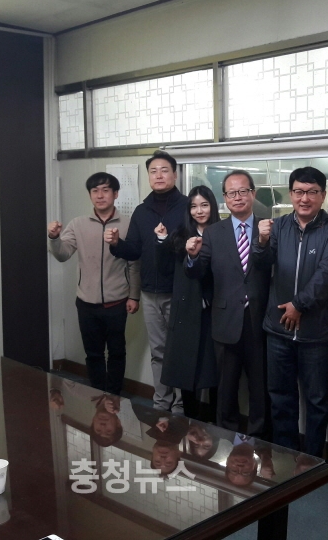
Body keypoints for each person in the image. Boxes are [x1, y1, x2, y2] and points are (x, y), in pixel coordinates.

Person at [252, 166, 328, 458]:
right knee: (281, 398)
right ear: (290, 194)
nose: (305, 198)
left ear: (323, 195)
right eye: (299, 192)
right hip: (278, 330)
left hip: (317, 332)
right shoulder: (277, 226)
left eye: (312, 192)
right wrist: (261, 242)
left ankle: (312, 461)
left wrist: (299, 305)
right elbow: (261, 266)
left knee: (317, 401)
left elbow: (327, 273)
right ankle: (286, 459)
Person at [185, 170, 270, 438]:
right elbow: (199, 271)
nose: (238, 197)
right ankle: (226, 439)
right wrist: (192, 257)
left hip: (259, 320)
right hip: (225, 320)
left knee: (260, 387)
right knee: (225, 388)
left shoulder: (269, 228)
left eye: (243, 191)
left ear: (253, 194)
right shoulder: (214, 233)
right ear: (224, 198)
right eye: (232, 193)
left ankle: (259, 440)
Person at [105, 150, 187, 412]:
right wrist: (116, 243)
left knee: (180, 351)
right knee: (158, 351)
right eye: (153, 171)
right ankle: (161, 402)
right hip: (151, 293)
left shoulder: (187, 207)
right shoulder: (142, 211)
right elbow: (134, 251)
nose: (159, 175)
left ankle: (182, 406)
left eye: (164, 170)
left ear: (175, 175)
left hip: (180, 291)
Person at [48, 172, 141, 395]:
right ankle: (98, 397)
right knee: (93, 354)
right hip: (86, 303)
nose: (100, 195)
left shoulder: (128, 225)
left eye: (105, 190)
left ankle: (114, 398)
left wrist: (134, 295)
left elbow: (134, 263)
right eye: (95, 191)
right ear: (90, 195)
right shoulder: (78, 224)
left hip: (117, 302)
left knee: (117, 353)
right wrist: (54, 238)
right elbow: (62, 254)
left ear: (115, 194)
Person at [154, 185, 219, 421]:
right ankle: (190, 420)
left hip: (214, 310)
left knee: (215, 370)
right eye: (193, 206)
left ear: (212, 206)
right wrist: (162, 241)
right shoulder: (181, 234)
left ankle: (215, 423)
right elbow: (165, 269)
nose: (199, 211)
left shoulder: (221, 232)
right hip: (186, 310)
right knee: (187, 368)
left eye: (204, 205)